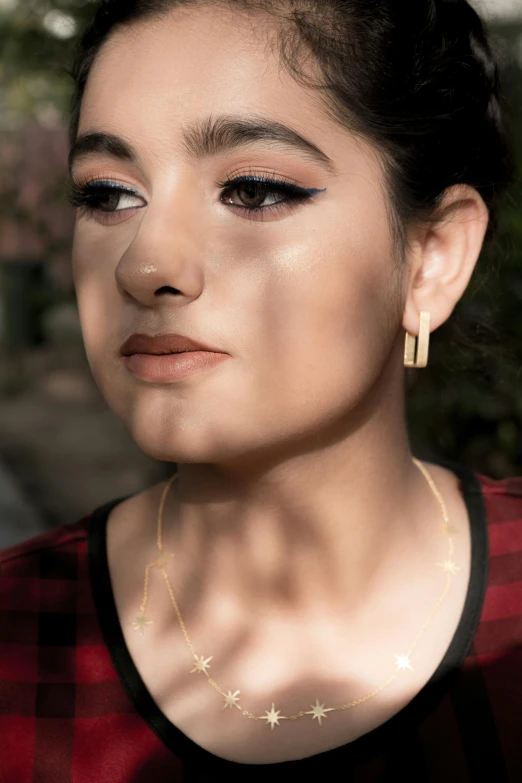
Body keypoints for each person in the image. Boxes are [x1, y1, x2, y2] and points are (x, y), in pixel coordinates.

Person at [0, 0, 520, 780]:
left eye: (251, 188)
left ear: (431, 257)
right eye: (107, 194)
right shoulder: (17, 641)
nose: (146, 264)